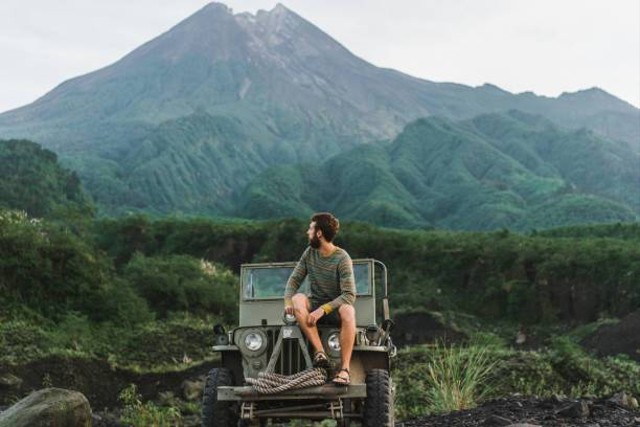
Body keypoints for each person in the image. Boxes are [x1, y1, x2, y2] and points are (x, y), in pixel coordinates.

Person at [284, 212, 356, 386]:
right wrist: (287, 302)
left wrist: (323, 309)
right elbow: (294, 281)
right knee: (298, 298)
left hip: (334, 310)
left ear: (319, 233)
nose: (307, 232)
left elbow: (349, 295)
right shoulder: (309, 253)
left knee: (349, 309)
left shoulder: (342, 258)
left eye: (310, 228)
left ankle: (345, 370)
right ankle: (320, 353)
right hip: (314, 305)